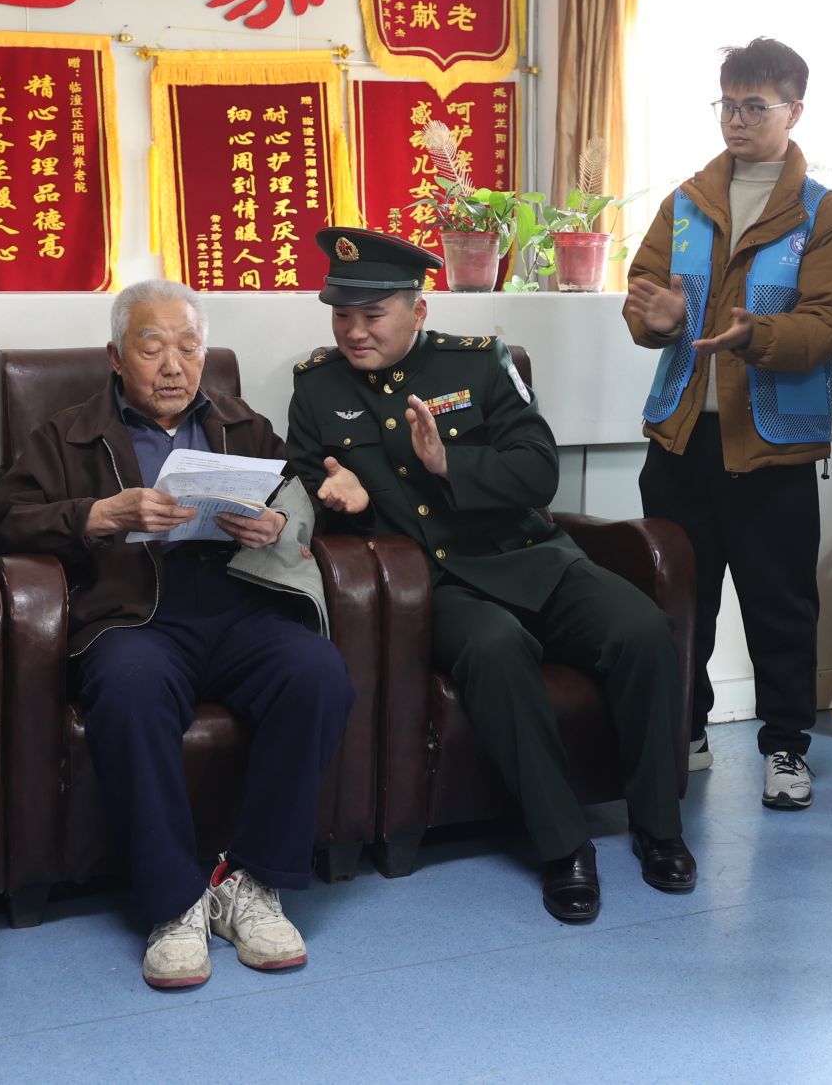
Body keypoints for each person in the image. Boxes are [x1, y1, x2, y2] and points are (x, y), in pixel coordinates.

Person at [288, 227, 695, 924]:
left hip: (526, 556)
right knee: (497, 650)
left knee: (643, 630)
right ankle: (564, 845)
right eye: (342, 314)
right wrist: (339, 506)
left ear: (418, 310)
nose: (354, 331)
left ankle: (659, 827)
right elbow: (303, 493)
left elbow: (540, 471)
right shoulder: (318, 388)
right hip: (433, 585)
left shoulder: (477, 364)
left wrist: (451, 464)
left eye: (372, 315)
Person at [0, 280, 352, 991]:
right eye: (152, 347)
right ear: (116, 356)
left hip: (239, 610)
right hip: (133, 617)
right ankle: (175, 902)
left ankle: (251, 882)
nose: (174, 366)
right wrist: (100, 514)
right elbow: (6, 522)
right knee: (130, 690)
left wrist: (277, 524)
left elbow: (295, 498)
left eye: (189, 347)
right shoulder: (65, 435)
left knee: (318, 674)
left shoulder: (243, 425)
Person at [623, 36, 832, 811]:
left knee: (779, 605)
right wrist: (658, 318)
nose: (736, 120)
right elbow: (644, 294)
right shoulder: (685, 203)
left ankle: (786, 746)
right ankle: (684, 730)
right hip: (681, 439)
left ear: (795, 111)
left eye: (754, 106)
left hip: (771, 447)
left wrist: (755, 334)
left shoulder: (824, 214)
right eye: (727, 104)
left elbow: (826, 325)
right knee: (676, 598)